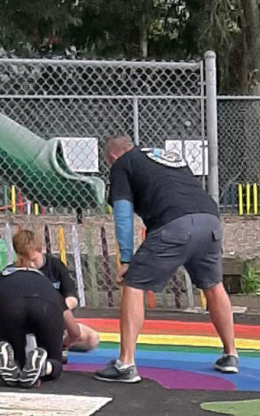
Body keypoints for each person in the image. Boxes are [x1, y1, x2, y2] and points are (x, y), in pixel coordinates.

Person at [94, 137, 238, 384]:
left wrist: (126, 258)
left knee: (133, 284)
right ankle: (231, 354)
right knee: (214, 285)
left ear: (113, 158)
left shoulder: (122, 165)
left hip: (174, 224)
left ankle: (126, 363)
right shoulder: (165, 157)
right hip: (210, 220)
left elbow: (123, 213)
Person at [0, 228, 100, 366]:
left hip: (53, 318)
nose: (31, 265)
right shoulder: (12, 272)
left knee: (91, 339)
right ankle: (3, 352)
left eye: (34, 260)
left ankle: (53, 346)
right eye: (25, 260)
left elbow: (72, 298)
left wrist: (55, 308)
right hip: (27, 321)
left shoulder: (55, 266)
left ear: (41, 250)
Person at [0, 261, 69, 387]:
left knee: (18, 360)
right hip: (45, 306)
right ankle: (44, 366)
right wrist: (65, 344)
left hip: (9, 306)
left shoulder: (2, 277)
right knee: (55, 362)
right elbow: (74, 330)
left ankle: (16, 361)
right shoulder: (47, 283)